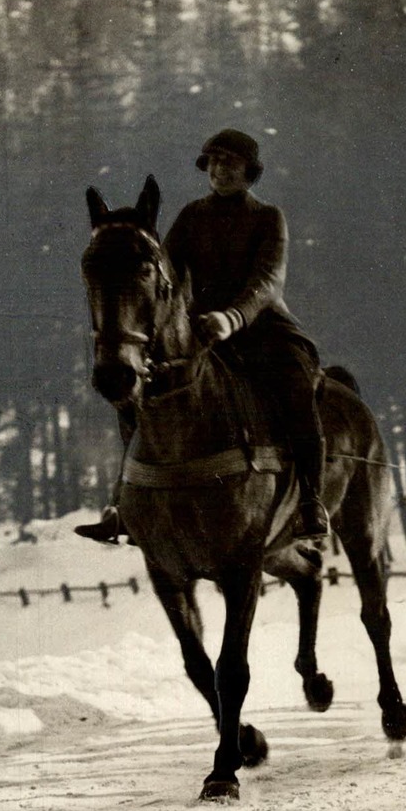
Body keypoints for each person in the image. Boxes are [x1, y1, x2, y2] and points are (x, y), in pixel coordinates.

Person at [77, 128, 330, 543]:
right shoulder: (192, 216)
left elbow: (268, 283)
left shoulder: (269, 218)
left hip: (264, 331)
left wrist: (231, 318)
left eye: (229, 163)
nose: (219, 170)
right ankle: (124, 503)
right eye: (213, 162)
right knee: (139, 392)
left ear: (249, 172)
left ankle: (310, 503)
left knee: (297, 389)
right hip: (200, 333)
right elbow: (169, 277)